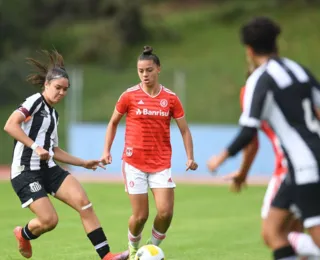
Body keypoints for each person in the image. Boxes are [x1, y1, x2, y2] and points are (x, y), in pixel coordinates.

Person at [206, 17, 320, 259]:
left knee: (312, 233)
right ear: (276, 42)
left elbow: (249, 131)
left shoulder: (259, 80)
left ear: (248, 50)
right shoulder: (298, 69)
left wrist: (221, 157)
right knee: (272, 232)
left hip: (306, 164)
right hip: (297, 167)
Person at [4, 50, 128, 260]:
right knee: (49, 221)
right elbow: (10, 125)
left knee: (84, 204)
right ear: (46, 85)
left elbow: (53, 150)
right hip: (25, 172)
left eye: (65, 90)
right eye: (57, 88)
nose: (61, 93)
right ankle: (23, 233)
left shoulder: (54, 115)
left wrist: (83, 163)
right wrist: (35, 147)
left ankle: (106, 256)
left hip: (49, 169)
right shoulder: (34, 101)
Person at [100, 46, 198, 260]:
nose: (145, 75)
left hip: (161, 163)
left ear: (158, 69)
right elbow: (113, 123)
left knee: (165, 213)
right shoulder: (129, 96)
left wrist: (190, 156)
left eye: (149, 70)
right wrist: (106, 150)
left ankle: (150, 249)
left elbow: (184, 129)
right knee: (140, 216)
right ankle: (134, 250)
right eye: (141, 71)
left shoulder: (170, 99)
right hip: (134, 163)